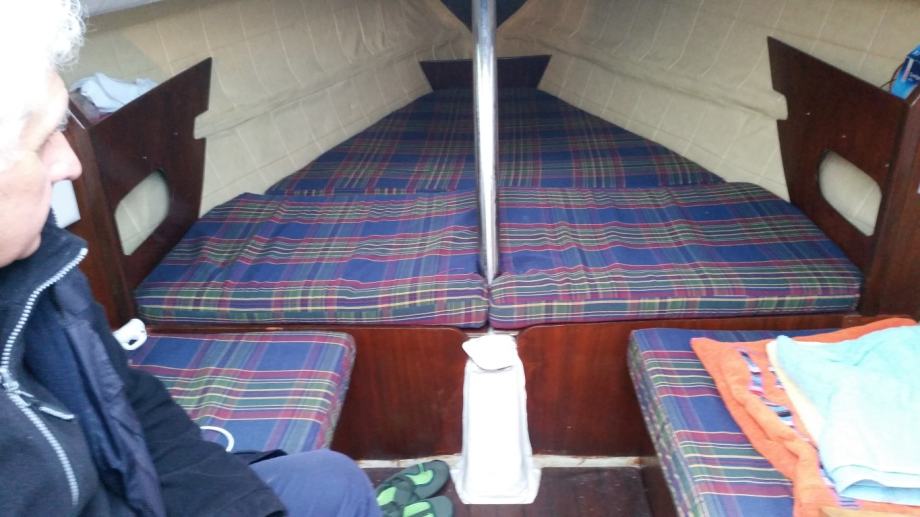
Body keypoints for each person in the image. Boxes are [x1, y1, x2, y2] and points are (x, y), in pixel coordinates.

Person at [0, 1, 392, 515]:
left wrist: (246, 505)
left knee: (333, 481)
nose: (71, 164)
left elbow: (126, 400)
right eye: (41, 142)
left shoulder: (42, 267)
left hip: (131, 488)